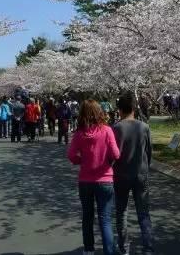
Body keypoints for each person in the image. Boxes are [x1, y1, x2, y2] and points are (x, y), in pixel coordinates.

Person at [67, 100, 121, 255]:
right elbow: (116, 154)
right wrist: (106, 158)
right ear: (100, 112)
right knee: (105, 219)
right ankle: (108, 252)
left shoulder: (79, 133)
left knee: (87, 217)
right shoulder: (107, 130)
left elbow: (71, 155)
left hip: (85, 180)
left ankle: (89, 250)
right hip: (105, 180)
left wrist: (82, 160)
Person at [112, 91, 154, 255]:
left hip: (121, 175)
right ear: (134, 109)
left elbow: (113, 154)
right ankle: (148, 248)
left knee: (122, 213)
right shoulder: (144, 127)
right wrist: (146, 167)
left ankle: (124, 249)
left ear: (120, 110)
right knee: (143, 213)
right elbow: (149, 152)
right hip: (140, 174)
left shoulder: (116, 128)